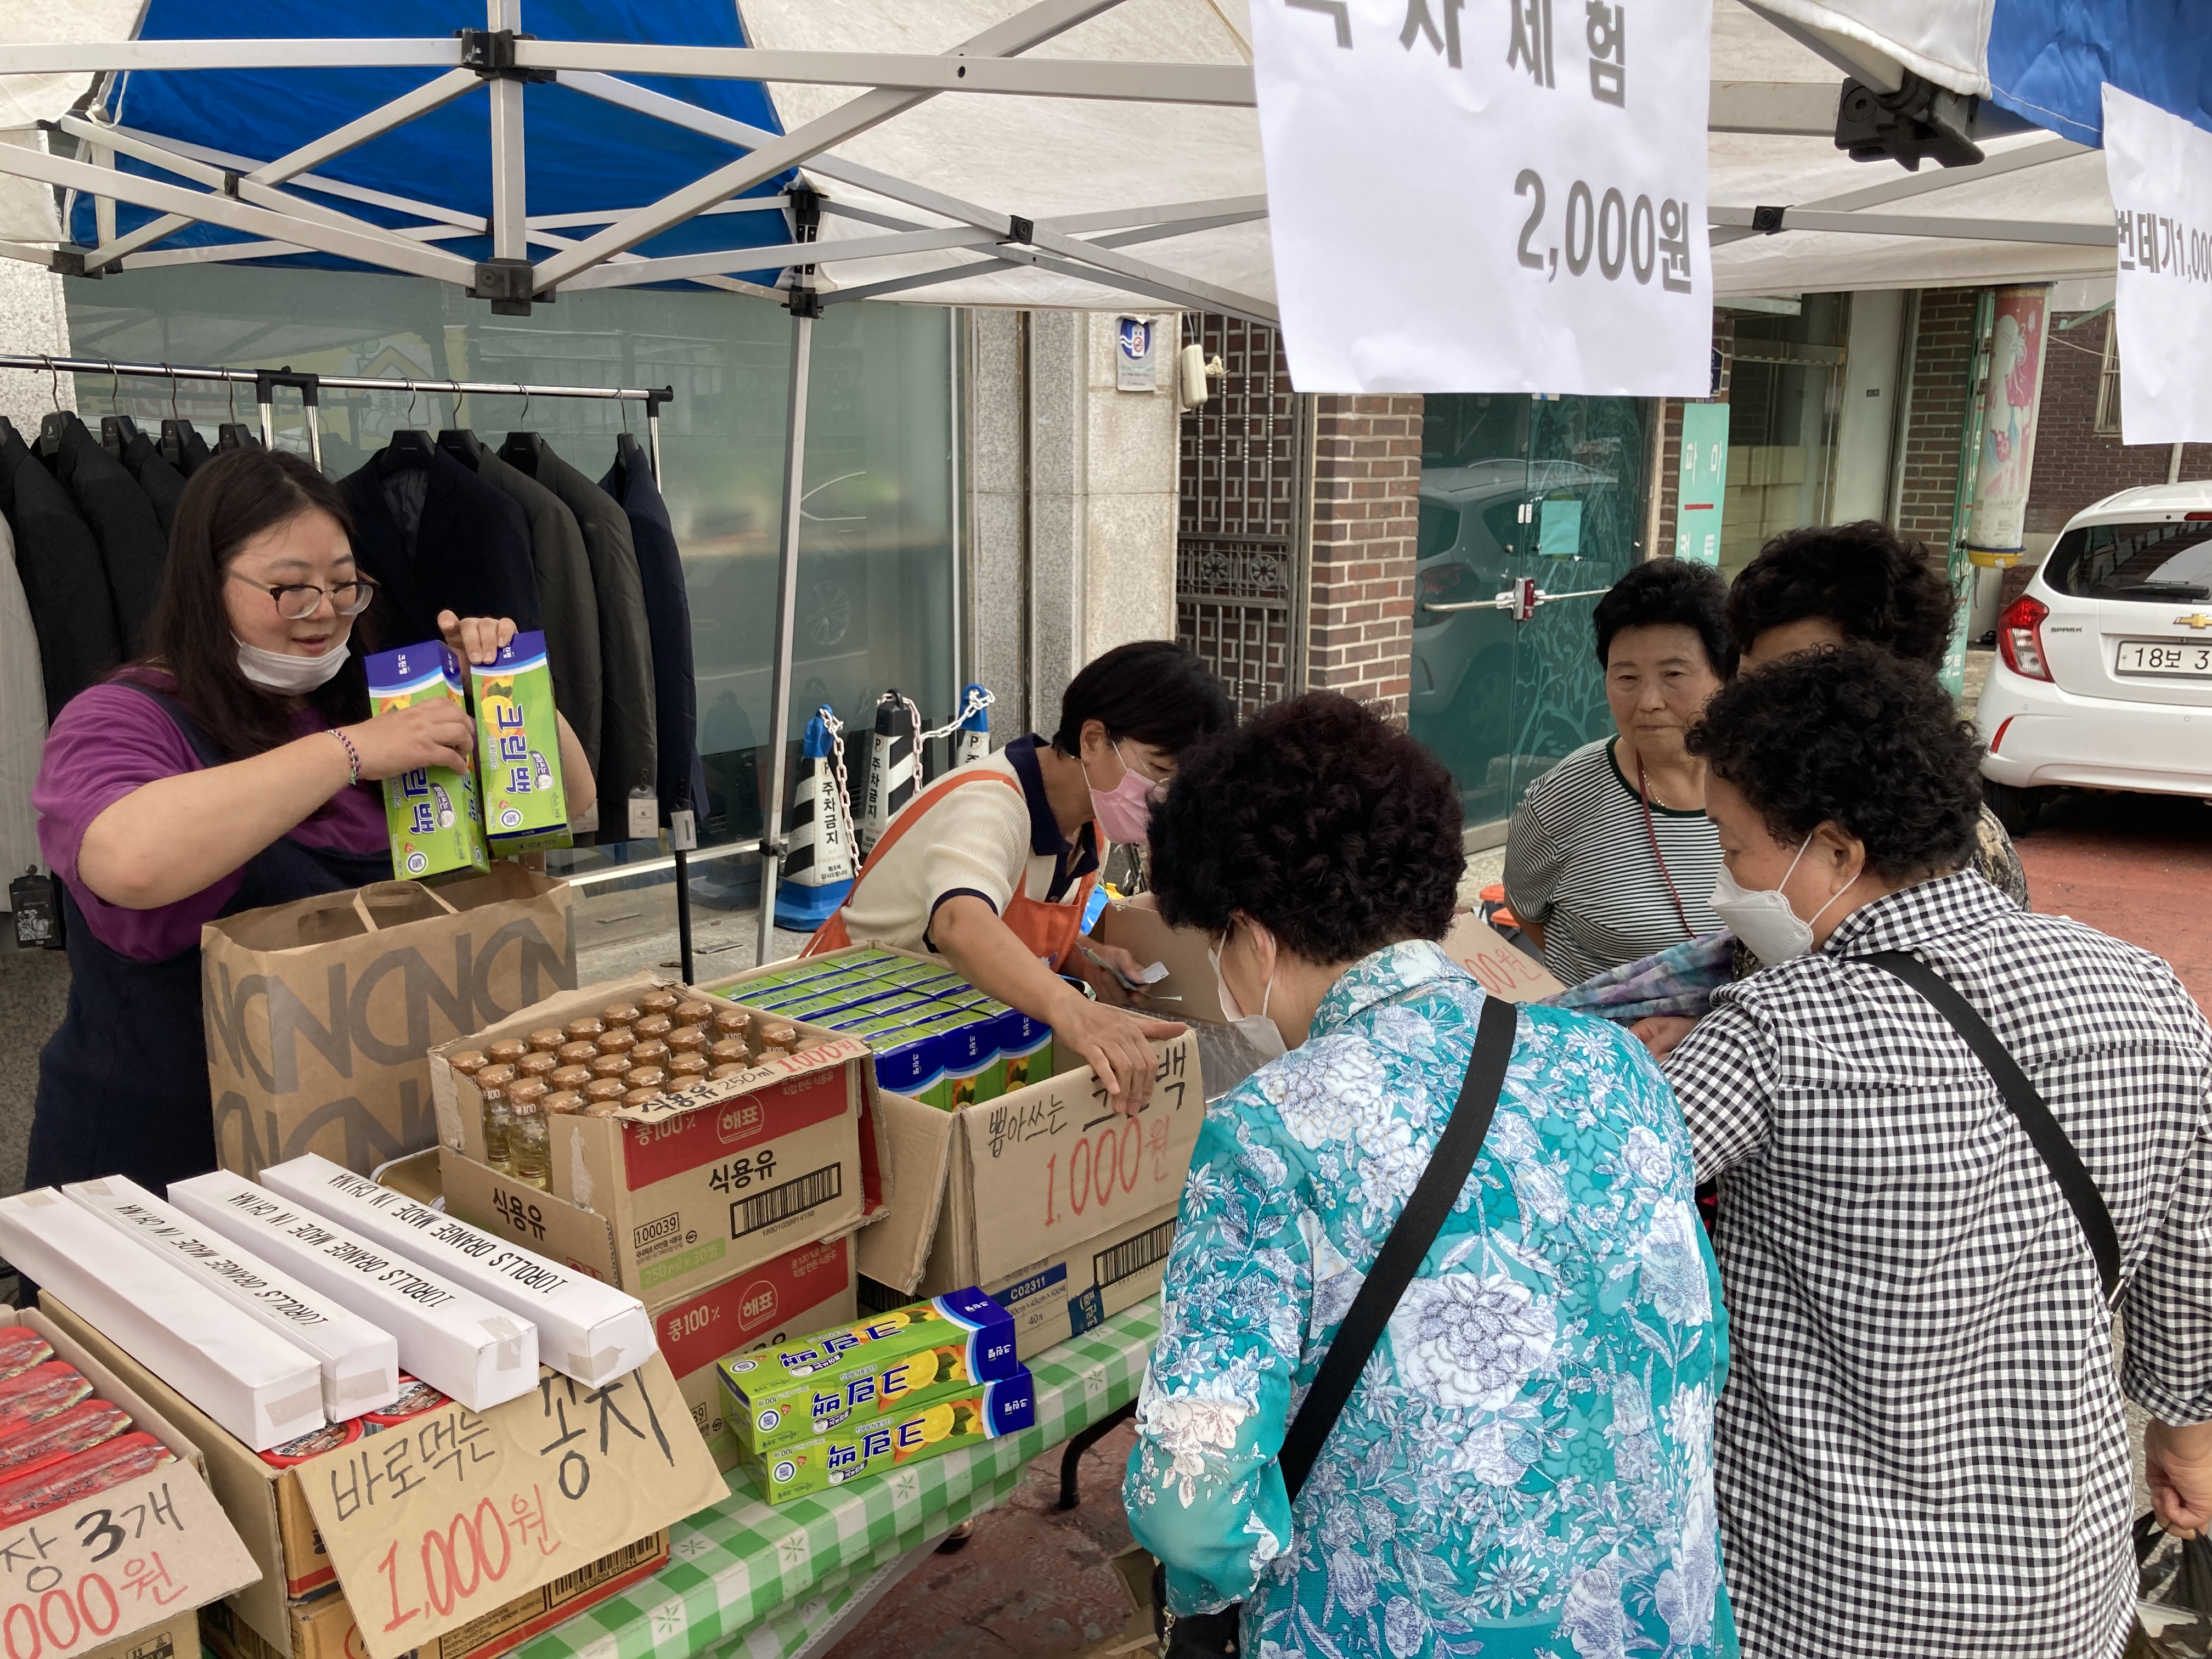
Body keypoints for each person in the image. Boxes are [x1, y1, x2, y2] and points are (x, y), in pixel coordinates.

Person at [1125, 692, 1735, 1658]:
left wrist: (1218, 1589)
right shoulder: (1613, 1062)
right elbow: (1696, 1345)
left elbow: (1192, 1505)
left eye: (1218, 948)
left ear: (1254, 933)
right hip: (1657, 1622)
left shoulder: (1267, 1131)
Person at [1663, 644, 2212, 1657]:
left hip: (1817, 1591)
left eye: (1734, 848)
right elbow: (2190, 1266)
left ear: (1834, 852)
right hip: (2059, 1578)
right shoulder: (2146, 992)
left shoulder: (1773, 1030)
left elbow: (1592, 1197)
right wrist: (2185, 1441)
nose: (1723, 882)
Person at [29, 448, 592, 1193]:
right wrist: (351, 753)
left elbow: (573, 802)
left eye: (343, 585)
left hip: (364, 1149)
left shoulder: (384, 700)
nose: (324, 612)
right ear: (206, 583)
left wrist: (504, 684)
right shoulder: (120, 717)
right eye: (290, 589)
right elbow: (128, 860)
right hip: (163, 1165)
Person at [1629, 522, 2032, 1062]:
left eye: (1800, 683)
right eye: (1750, 682)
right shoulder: (1764, 801)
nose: (1759, 713)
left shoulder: (1958, 855)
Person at [805, 640, 1233, 1108]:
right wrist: (1075, 1012)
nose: (1163, 795)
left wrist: (1085, 959)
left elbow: (1016, 925)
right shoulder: (991, 804)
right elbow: (959, 924)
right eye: (1159, 769)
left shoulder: (1092, 823)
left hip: (942, 1035)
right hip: (842, 1023)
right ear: (1093, 739)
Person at [1504, 557, 1733, 984]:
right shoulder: (1562, 798)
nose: (1649, 702)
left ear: (1726, 675)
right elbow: (1526, 909)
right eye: (1626, 678)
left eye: (1673, 674)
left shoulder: (1772, 784)